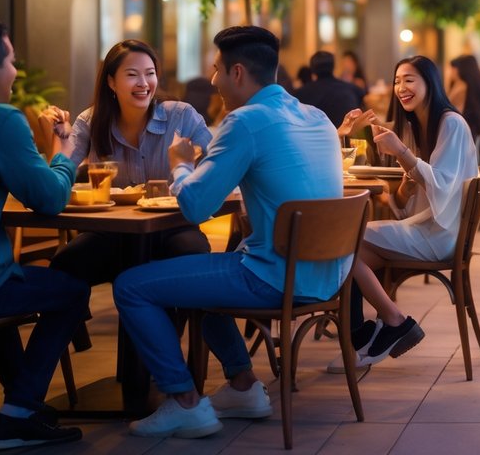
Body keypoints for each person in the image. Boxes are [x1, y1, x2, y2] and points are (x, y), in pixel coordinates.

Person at [112, 26, 344, 439]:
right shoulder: (317, 117)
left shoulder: (245, 122)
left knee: (131, 286)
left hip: (275, 276)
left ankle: (183, 401)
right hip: (327, 275)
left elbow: (197, 205)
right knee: (199, 275)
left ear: (237, 72)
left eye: (217, 70)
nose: (213, 80)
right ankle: (243, 386)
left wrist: (180, 163)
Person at [0, 16, 89, 451]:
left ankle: (21, 406)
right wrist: (64, 151)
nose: (17, 71)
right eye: (13, 61)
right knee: (71, 290)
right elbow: (51, 198)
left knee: (12, 281)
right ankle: (17, 415)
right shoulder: (0, 120)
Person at [326, 56, 477, 372]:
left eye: (409, 79)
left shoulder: (451, 123)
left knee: (344, 242)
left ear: (429, 82)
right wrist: (405, 181)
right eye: (397, 80)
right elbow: (406, 203)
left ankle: (392, 322)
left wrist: (403, 154)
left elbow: (444, 186)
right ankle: (360, 338)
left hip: (443, 234)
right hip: (428, 225)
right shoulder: (416, 125)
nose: (401, 88)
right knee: (348, 250)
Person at [49, 40, 213, 288]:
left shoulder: (181, 116)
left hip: (173, 228)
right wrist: (58, 136)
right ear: (111, 82)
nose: (144, 83)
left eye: (150, 74)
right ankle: (73, 327)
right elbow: (56, 184)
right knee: (64, 266)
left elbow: (214, 169)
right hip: (111, 232)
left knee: (192, 256)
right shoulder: (90, 121)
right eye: (132, 75)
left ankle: (166, 325)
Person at [294, 50, 365, 128]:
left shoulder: (301, 94)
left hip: (317, 138)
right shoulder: (352, 89)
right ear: (333, 67)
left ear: (312, 70)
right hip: (347, 138)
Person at [446, 54, 480, 139]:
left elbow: (453, 112)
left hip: (463, 135)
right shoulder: (475, 86)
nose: (451, 72)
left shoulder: (461, 87)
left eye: (453, 68)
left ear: (461, 69)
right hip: (474, 135)